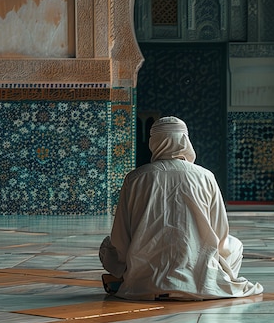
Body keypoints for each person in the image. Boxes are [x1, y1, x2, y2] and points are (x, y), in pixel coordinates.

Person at [99, 116, 263, 300]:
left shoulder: (135, 178)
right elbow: (220, 231)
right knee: (235, 245)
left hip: (145, 280)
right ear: (185, 141)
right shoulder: (205, 176)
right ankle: (204, 280)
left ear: (153, 142)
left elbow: (121, 235)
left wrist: (125, 264)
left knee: (107, 246)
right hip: (200, 277)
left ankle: (136, 279)